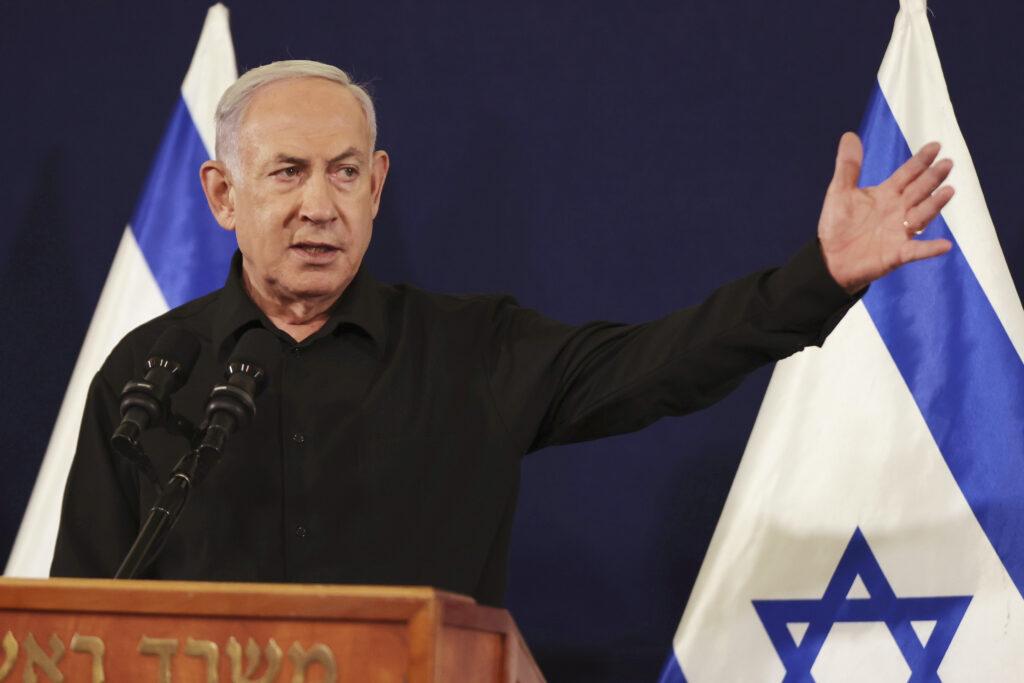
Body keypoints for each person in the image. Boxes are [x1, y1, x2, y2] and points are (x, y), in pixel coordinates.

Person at [50, 60, 953, 607]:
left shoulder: (472, 350)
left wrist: (818, 278)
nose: (318, 205)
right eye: (286, 172)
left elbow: (661, 363)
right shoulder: (152, 374)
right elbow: (85, 616)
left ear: (377, 186)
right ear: (222, 194)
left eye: (345, 172)